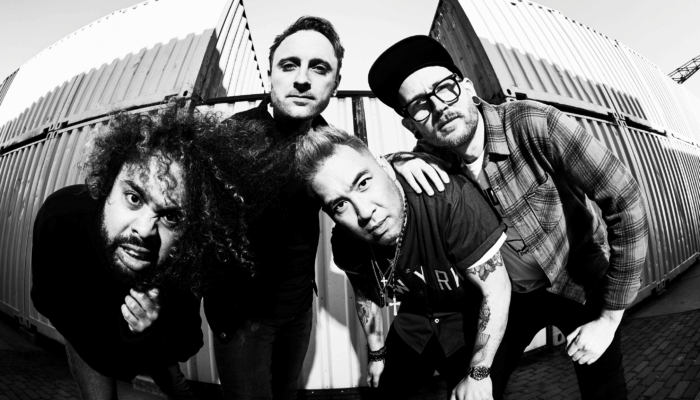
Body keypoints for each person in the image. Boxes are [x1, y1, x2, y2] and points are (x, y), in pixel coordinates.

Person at [367, 35, 649, 399]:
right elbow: (365, 176)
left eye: (445, 88)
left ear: (467, 88)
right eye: (420, 105)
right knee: (475, 386)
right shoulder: (427, 163)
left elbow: (625, 201)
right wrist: (394, 162)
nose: (439, 107)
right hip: (510, 297)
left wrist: (609, 320)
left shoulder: (533, 123)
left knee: (605, 390)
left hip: (578, 278)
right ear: (411, 125)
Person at [31, 101, 255, 400]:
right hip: (87, 337)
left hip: (154, 345)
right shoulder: (60, 220)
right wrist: (116, 339)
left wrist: (151, 329)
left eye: (170, 216)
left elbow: (188, 342)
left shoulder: (183, 256)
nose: (145, 230)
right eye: (134, 198)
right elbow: (46, 299)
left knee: (174, 383)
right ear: (105, 186)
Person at [295, 126, 511, 400]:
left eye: (363, 183)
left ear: (385, 167)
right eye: (340, 205)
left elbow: (497, 290)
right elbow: (365, 295)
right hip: (416, 318)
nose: (364, 212)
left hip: (468, 318)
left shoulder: (448, 200)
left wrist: (479, 372)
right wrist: (377, 354)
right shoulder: (346, 242)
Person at [202, 15, 344, 400]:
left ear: (335, 83)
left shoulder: (333, 148)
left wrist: (404, 164)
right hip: (243, 319)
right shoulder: (230, 138)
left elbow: (370, 205)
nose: (302, 79)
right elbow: (190, 228)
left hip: (298, 312)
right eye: (289, 65)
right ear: (271, 75)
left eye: (319, 68)